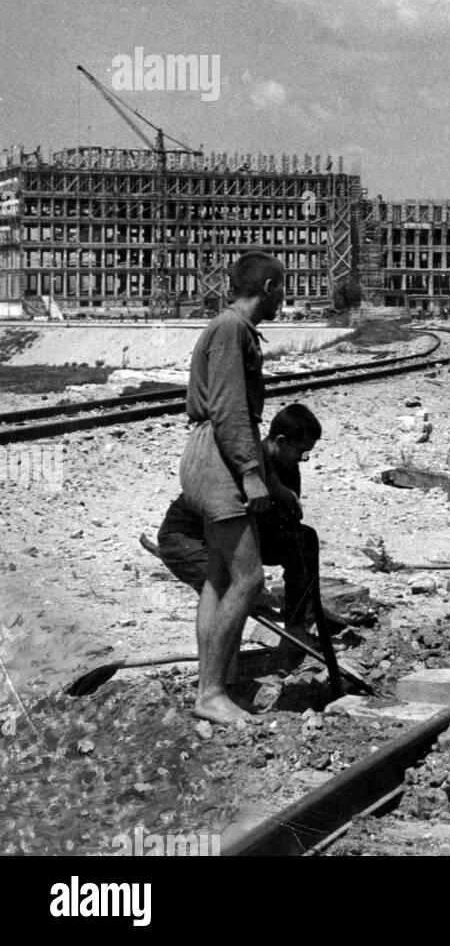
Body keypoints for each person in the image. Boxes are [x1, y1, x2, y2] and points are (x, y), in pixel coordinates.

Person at [178, 251, 284, 725]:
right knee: (249, 577)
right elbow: (229, 408)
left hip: (210, 452)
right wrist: (250, 470)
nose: (284, 298)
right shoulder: (231, 329)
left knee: (220, 577)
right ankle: (212, 691)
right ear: (268, 286)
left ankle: (213, 684)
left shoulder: (231, 329)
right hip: (219, 457)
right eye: (282, 288)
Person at [156, 404, 324, 647]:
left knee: (304, 539)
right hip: (186, 541)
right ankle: (223, 672)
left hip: (235, 538)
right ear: (281, 441)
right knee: (231, 588)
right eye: (302, 452)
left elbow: (285, 528)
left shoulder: (287, 470)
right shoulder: (246, 466)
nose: (304, 459)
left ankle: (296, 627)